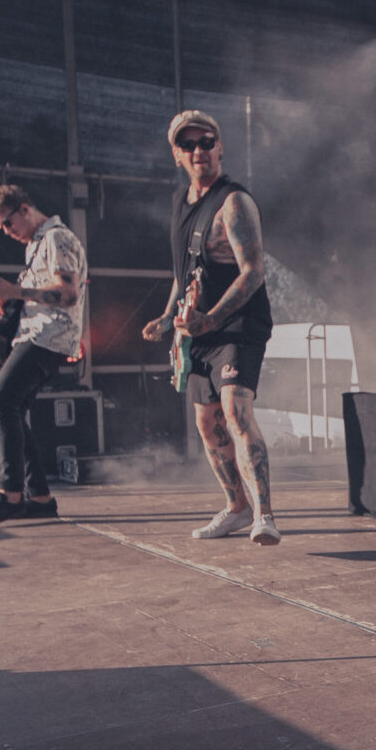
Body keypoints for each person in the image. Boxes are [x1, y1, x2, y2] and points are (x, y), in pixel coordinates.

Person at [142, 110, 280, 545]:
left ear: (220, 148)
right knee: (207, 424)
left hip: (238, 323)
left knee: (236, 410)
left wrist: (212, 318)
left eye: (206, 142)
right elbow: (185, 273)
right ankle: (236, 508)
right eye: (188, 144)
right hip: (198, 332)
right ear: (177, 155)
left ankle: (264, 516)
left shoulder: (234, 202)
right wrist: (169, 317)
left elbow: (253, 272)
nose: (198, 150)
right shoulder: (181, 203)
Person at [0, 183, 84, 523]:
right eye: (1, 227)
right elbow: (37, 299)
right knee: (14, 410)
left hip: (51, 337)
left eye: (7, 223)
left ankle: (10, 495)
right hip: (36, 335)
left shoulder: (57, 239)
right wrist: (6, 325)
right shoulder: (37, 245)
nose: (7, 231)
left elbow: (69, 294)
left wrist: (14, 290)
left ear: (24, 209)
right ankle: (40, 497)